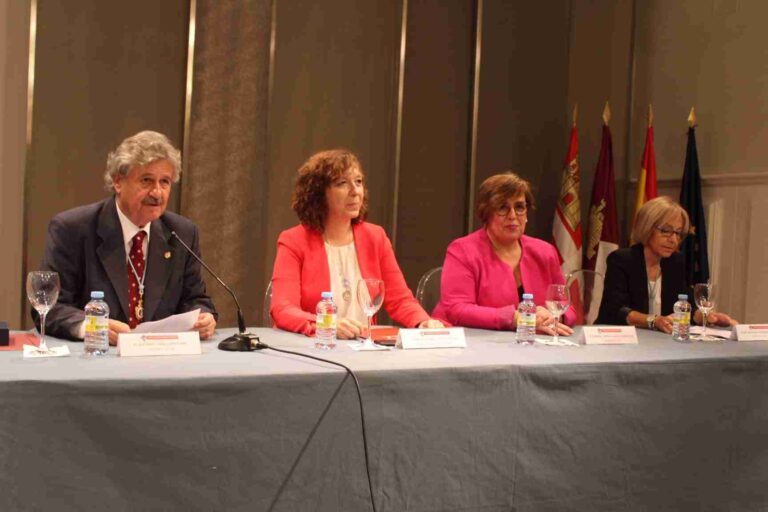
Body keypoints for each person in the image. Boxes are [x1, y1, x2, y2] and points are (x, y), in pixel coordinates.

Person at [35, 130, 217, 343]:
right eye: (146, 180)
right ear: (118, 182)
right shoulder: (73, 229)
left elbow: (195, 299)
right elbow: (50, 308)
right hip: (96, 361)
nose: (157, 193)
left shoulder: (182, 233)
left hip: (162, 362)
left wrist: (204, 317)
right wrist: (92, 327)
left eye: (165, 182)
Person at [270, 149, 444, 338]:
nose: (355, 191)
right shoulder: (293, 241)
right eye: (342, 183)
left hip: (364, 350)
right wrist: (327, 325)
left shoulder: (375, 237)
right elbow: (283, 309)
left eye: (358, 182)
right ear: (318, 193)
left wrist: (423, 321)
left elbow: (400, 299)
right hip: (315, 349)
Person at [432, 172, 575, 333]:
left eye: (519, 207)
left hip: (533, 347)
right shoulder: (462, 250)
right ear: (486, 214)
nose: (513, 216)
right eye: (502, 208)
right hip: (472, 346)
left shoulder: (545, 252)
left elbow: (567, 306)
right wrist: (516, 318)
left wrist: (553, 316)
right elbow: (457, 309)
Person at [597, 196, 736, 332]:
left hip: (660, 342)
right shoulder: (622, 259)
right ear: (647, 227)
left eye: (678, 233)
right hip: (618, 338)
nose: (673, 239)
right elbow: (617, 311)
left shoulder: (675, 262)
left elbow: (682, 305)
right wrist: (655, 321)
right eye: (666, 231)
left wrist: (705, 317)